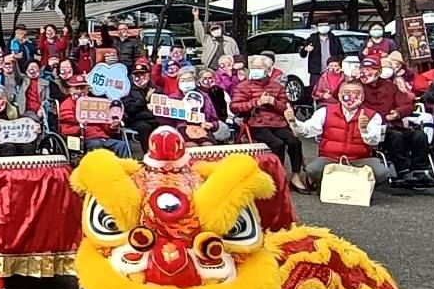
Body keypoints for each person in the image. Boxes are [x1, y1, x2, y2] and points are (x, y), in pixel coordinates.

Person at [291, 79, 393, 188]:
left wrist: (364, 129)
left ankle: (349, 186)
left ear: (362, 97)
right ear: (339, 96)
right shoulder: (325, 111)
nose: (351, 97)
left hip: (360, 159)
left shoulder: (373, 116)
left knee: (382, 173)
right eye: (347, 93)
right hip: (330, 158)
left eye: (356, 94)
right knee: (312, 170)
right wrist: (294, 121)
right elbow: (308, 130)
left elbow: (374, 141)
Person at [232, 53, 308, 192]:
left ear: (268, 70)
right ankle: (277, 175)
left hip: (277, 122)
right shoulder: (243, 86)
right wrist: (256, 102)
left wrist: (274, 102)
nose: (255, 69)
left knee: (294, 141)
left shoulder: (277, 86)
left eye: (259, 67)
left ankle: (296, 176)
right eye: (253, 67)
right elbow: (235, 107)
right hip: (256, 123)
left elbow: (286, 107)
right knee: (277, 143)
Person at [364, 56, 434, 187]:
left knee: (419, 135)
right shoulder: (357, 86)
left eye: (371, 69)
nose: (367, 72)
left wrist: (397, 112)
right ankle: (403, 171)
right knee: (396, 137)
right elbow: (339, 94)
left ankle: (419, 171)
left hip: (394, 124)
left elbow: (407, 105)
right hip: (375, 127)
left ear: (378, 71)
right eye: (364, 69)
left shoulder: (390, 87)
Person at [58, 74, 130, 158]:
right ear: (70, 90)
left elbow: (104, 124)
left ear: (87, 90)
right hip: (83, 138)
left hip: (102, 136)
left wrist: (112, 126)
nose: (80, 91)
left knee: (121, 145)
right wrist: (79, 128)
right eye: (76, 88)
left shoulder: (94, 103)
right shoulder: (66, 105)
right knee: (96, 145)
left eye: (82, 88)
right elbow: (65, 129)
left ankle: (124, 169)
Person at [157, 65, 222, 146]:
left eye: (189, 80)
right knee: (190, 146)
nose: (186, 83)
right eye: (183, 80)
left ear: (195, 81)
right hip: (181, 129)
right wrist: (157, 110)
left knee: (207, 145)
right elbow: (165, 122)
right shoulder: (172, 98)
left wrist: (212, 125)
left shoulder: (204, 97)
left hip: (202, 128)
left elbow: (214, 118)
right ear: (178, 82)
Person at [121, 60, 159, 150]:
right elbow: (129, 109)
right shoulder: (127, 90)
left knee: (165, 127)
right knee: (145, 128)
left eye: (142, 74)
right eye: (136, 75)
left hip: (155, 118)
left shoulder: (156, 89)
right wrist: (145, 99)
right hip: (137, 120)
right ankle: (148, 155)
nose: (139, 77)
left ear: (148, 76)